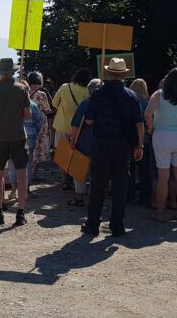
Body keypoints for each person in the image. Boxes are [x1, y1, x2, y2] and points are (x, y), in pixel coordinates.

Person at [81, 58, 144, 237]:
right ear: (124, 74)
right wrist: (139, 145)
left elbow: (89, 120)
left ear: (108, 73)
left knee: (98, 185)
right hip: (123, 145)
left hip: (102, 143)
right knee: (120, 185)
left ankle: (93, 223)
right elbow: (139, 124)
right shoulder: (132, 96)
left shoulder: (98, 95)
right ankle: (117, 224)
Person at [0, 58, 31, 226]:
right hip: (18, 136)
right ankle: (21, 212)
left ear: (0, 72)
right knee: (22, 175)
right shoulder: (23, 89)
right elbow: (27, 116)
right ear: (13, 72)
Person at [145, 68, 177, 222]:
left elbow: (148, 113)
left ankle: (160, 213)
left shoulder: (158, 95)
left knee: (163, 176)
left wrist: (150, 127)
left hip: (162, 135)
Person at [52, 68, 91, 189]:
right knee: (78, 154)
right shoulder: (88, 91)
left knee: (62, 153)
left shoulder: (65, 87)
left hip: (62, 125)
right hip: (79, 127)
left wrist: (63, 109)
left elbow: (54, 103)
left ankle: (64, 181)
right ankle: (76, 180)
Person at [68, 78, 103, 206]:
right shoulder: (106, 105)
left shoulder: (85, 104)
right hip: (101, 144)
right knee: (97, 173)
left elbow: (76, 125)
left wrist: (72, 140)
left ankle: (79, 198)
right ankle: (94, 199)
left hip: (84, 143)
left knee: (79, 173)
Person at [8, 81, 43, 199]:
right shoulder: (32, 105)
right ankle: (26, 190)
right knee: (27, 164)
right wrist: (36, 132)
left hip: (13, 136)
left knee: (13, 163)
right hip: (30, 136)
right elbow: (39, 121)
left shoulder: (11, 105)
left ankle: (13, 190)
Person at [129, 79, 153, 204]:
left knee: (130, 169)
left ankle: (129, 194)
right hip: (146, 140)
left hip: (131, 139)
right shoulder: (148, 104)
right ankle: (145, 196)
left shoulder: (130, 102)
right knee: (145, 171)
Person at [27, 72, 52, 179]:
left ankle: (27, 172)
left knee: (29, 147)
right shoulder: (42, 94)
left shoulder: (24, 92)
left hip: (27, 123)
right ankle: (34, 173)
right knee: (38, 148)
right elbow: (47, 110)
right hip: (40, 124)